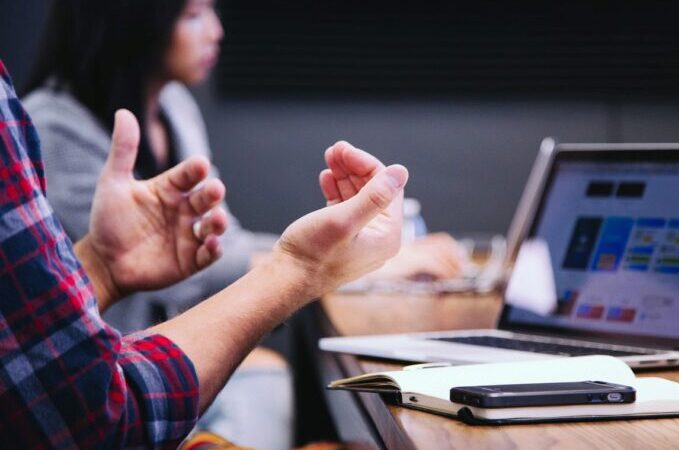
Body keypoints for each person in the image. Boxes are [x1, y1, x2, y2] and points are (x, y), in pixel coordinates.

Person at [22, 0, 462, 446]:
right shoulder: (52, 130)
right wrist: (332, 263)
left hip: (157, 366)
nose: (216, 31)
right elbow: (200, 273)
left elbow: (219, 243)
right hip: (113, 387)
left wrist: (331, 259)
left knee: (275, 377)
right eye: (192, 15)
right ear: (129, 21)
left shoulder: (174, 106)